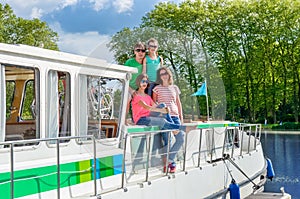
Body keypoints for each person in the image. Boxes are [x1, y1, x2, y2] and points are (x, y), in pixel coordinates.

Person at [131, 73, 194, 172]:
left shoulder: (147, 96)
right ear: (138, 82)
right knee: (161, 120)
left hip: (148, 116)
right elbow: (147, 107)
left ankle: (174, 128)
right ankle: (179, 128)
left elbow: (155, 105)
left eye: (146, 82)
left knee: (163, 105)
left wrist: (164, 108)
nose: (145, 83)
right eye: (143, 81)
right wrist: (162, 111)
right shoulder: (136, 96)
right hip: (141, 119)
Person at [152, 67, 185, 173]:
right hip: (164, 117)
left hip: (175, 116)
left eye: (165, 73)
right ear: (159, 77)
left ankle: (170, 159)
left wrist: (181, 116)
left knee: (180, 138)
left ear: (169, 74)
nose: (164, 75)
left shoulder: (174, 88)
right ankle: (171, 164)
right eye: (161, 74)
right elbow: (154, 104)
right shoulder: (156, 89)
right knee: (167, 141)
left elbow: (178, 102)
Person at [124, 42, 146, 122]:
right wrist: (130, 90)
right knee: (128, 99)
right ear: (134, 52)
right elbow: (122, 76)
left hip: (139, 88)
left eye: (143, 50)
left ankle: (137, 120)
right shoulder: (129, 62)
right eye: (138, 50)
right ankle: (124, 121)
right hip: (128, 86)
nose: (140, 52)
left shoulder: (145, 62)